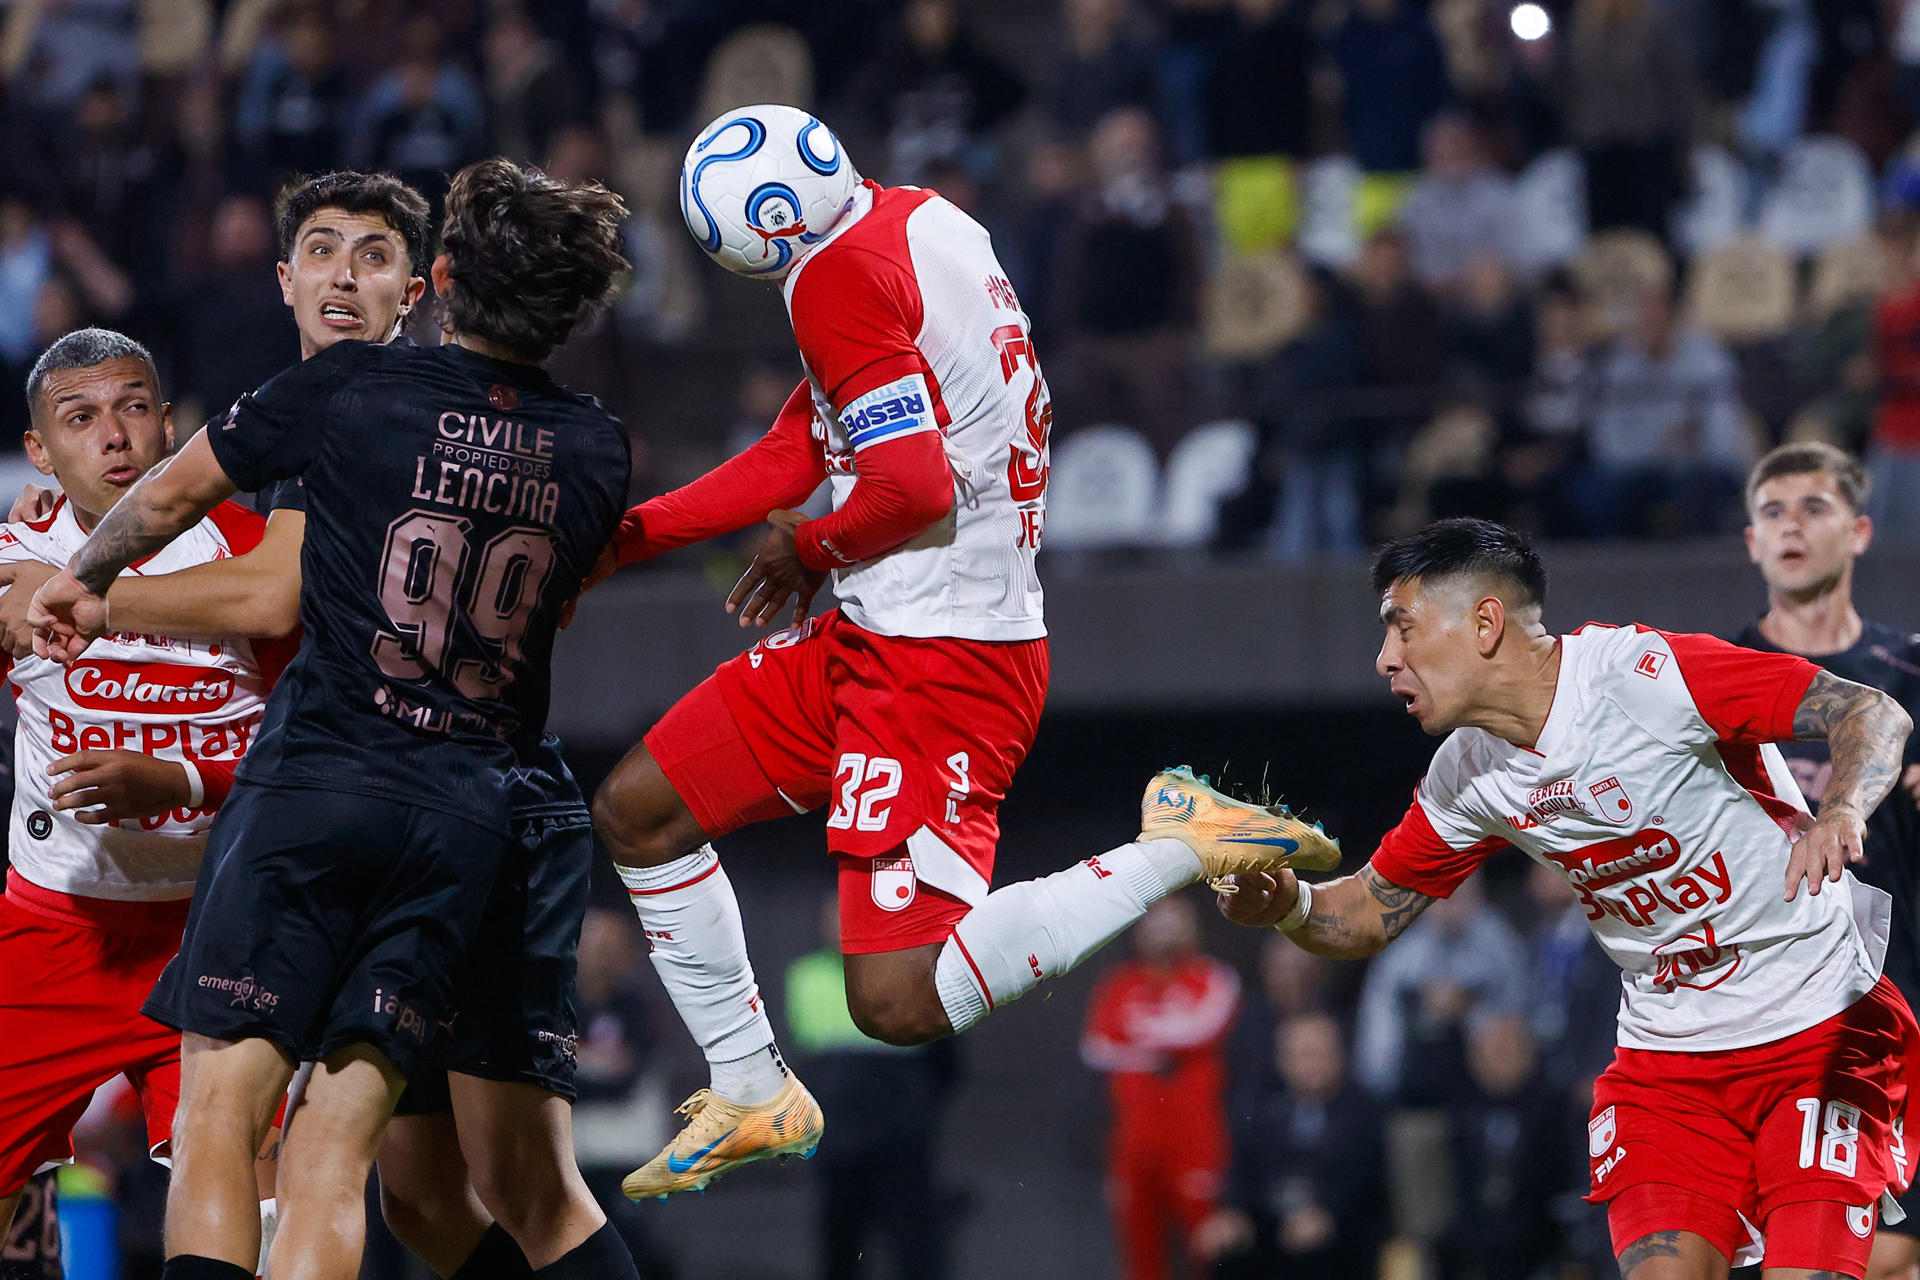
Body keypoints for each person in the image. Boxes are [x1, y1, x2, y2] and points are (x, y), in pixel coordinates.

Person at [591, 105, 1340, 1201]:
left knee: (894, 999)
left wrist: (813, 543)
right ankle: (752, 1083)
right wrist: (637, 537)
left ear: (749, 239)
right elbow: (813, 436)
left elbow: (910, 487)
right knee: (638, 806)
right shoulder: (924, 220)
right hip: (879, 628)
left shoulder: (831, 281)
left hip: (941, 663)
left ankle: (1178, 843)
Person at [0, 169, 619, 1280]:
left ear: (429, 286)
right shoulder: (594, 443)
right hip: (475, 820)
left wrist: (87, 589)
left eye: (374, 254)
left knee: (241, 1140)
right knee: (425, 1191)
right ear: (285, 280)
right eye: (323, 251)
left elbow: (268, 594)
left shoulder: (327, 414)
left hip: (315, 825)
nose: (345, 273)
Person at [1220, 517, 1917, 1280]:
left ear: (1486, 623)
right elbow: (1364, 912)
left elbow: (1871, 711)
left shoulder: (1643, 676)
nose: (1386, 659)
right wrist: (1286, 906)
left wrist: (1844, 809)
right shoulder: (1467, 773)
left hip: (1820, 1025)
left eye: (1403, 628)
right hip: (1670, 1063)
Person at [0, 329, 287, 1247]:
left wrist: (179, 780)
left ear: (170, 427)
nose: (113, 437)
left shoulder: (253, 561)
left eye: (132, 408)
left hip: (219, 938)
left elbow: (319, 766)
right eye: (80, 419)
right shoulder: (13, 554)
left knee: (265, 1207)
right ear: (39, 451)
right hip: (56, 934)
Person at [1733, 441, 1920, 1280]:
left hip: (1893, 1009)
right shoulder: (1716, 682)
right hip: (1757, 1021)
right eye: (1773, 511)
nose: (1791, 527)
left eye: (1813, 508)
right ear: (1751, 542)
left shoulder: (1911, 672)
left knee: (1882, 1254)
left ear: (1860, 531)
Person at [1079, 896, 1240, 1280]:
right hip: (1133, 1138)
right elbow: (1095, 1047)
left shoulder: (1214, 978)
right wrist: (1159, 1050)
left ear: (1195, 927)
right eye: (1157, 921)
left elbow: (1201, 1028)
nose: (1165, 930)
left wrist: (1138, 1039)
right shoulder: (1119, 984)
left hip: (1195, 1136)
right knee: (1140, 1251)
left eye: (1176, 921)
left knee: (1208, 1248)